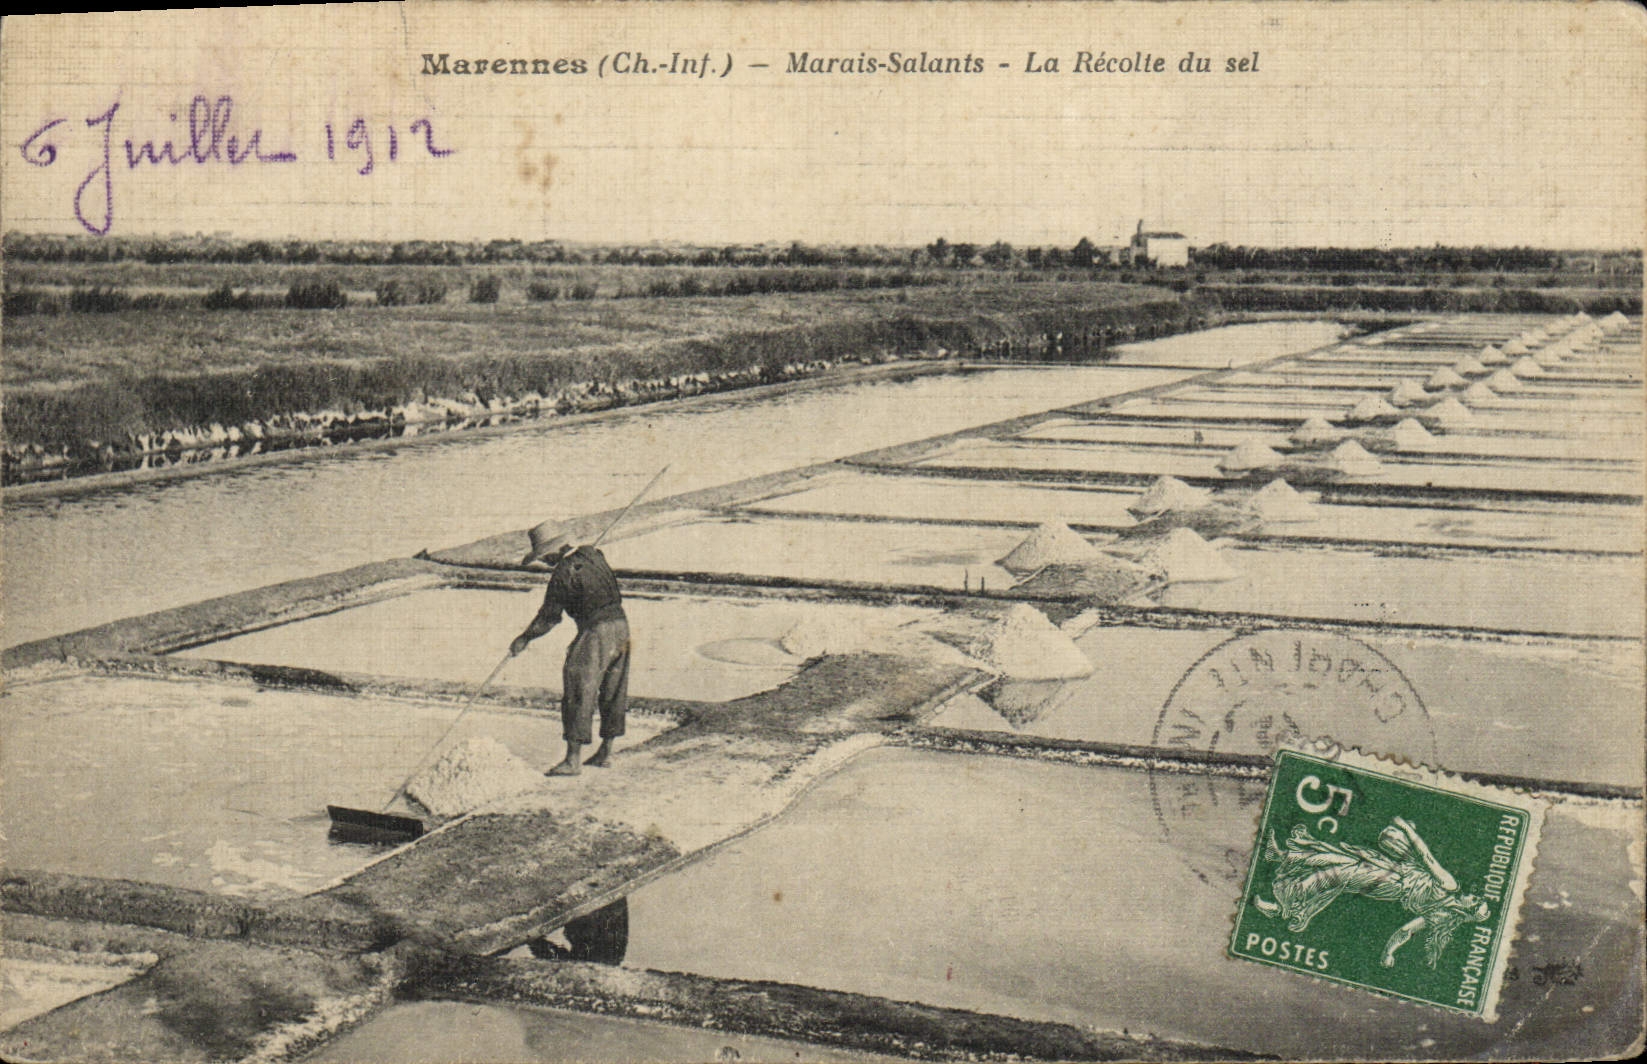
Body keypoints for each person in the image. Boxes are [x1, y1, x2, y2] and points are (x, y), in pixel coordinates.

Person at [1254, 816, 1490, 969]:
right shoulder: (1445, 905)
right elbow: (1405, 931)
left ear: (1468, 908)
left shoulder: (1449, 889)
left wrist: (1407, 828)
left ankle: (1280, 908)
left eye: (1476, 900)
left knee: (1336, 875)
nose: (1473, 895)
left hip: (1391, 884)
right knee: (1339, 858)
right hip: (1394, 869)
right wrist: (1388, 953)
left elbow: (1426, 857)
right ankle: (1281, 856)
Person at [510, 525, 630, 776]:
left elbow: (550, 617)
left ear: (555, 551)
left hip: (596, 631)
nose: (544, 561)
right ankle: (606, 753)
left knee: (578, 688)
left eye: (544, 556)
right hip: (622, 627)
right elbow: (591, 557)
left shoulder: (563, 572)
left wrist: (524, 638)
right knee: (613, 689)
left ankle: (572, 760)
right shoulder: (594, 555)